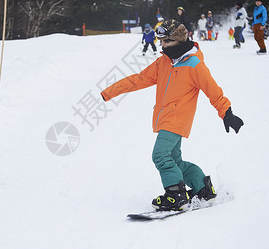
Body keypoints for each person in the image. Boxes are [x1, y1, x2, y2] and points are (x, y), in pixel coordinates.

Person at [100, 19, 244, 212]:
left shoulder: (194, 64)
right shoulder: (163, 62)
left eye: (166, 41)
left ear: (178, 40)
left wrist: (227, 113)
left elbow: (213, 90)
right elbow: (139, 79)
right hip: (165, 118)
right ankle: (203, 188)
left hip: (178, 119)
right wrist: (110, 91)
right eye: (161, 41)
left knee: (159, 155)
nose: (163, 45)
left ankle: (176, 195)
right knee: (175, 161)